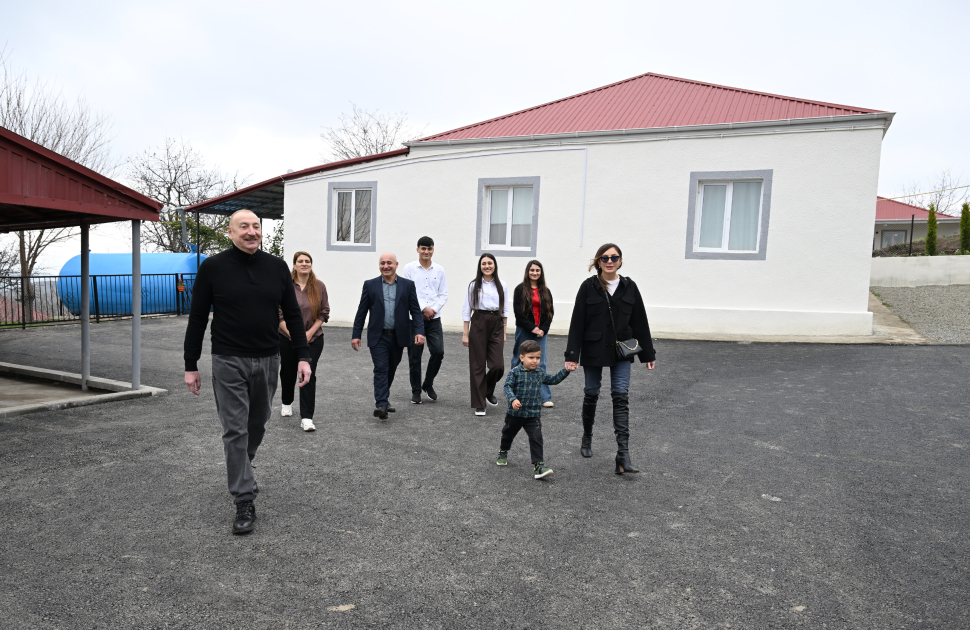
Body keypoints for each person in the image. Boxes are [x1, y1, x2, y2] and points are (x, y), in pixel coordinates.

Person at [183, 209, 311, 535]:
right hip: (228, 359)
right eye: (244, 227)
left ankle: (244, 464)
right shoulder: (213, 268)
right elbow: (198, 318)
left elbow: (294, 316)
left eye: (256, 226)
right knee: (235, 429)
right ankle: (243, 498)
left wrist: (303, 356)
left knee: (258, 422)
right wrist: (190, 365)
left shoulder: (277, 267)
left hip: (268, 358)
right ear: (230, 232)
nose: (251, 232)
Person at [564, 243, 656, 475]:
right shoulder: (589, 287)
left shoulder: (629, 287)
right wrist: (572, 355)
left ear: (621, 261)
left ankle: (622, 455)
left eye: (614, 257)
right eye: (605, 258)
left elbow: (640, 322)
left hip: (622, 350)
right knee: (591, 392)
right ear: (598, 262)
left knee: (620, 396)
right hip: (594, 348)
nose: (609, 261)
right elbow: (577, 323)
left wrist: (648, 355)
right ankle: (587, 437)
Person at [352, 252, 425, 420]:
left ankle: (384, 398)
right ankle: (381, 404)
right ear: (379, 265)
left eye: (389, 263)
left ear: (396, 265)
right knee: (381, 368)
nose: (386, 266)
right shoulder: (370, 285)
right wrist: (356, 334)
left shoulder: (407, 285)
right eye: (382, 263)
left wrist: (420, 331)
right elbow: (361, 311)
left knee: (391, 368)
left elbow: (415, 310)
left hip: (398, 336)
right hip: (378, 336)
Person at [498, 339, 574, 479]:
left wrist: (566, 370)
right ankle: (503, 451)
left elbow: (553, 380)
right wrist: (513, 399)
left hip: (533, 414)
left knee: (536, 437)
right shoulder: (515, 372)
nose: (535, 361)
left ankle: (539, 466)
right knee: (508, 433)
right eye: (531, 357)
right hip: (515, 414)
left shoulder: (539, 373)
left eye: (538, 358)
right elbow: (507, 387)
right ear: (522, 357)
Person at [278, 251, 330, 432]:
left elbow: (324, 312)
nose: (304, 264)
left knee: (308, 373)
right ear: (294, 265)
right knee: (288, 371)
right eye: (300, 261)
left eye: (307, 261)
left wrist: (308, 334)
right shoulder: (285, 286)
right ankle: (286, 401)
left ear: (311, 265)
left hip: (313, 338)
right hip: (286, 337)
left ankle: (307, 418)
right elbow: (278, 313)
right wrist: (292, 334)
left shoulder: (319, 286)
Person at [400, 236, 448, 404]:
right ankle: (416, 391)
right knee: (414, 356)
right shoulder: (409, 269)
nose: (426, 251)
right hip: (414, 319)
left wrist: (432, 310)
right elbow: (406, 293)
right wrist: (422, 309)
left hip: (434, 318)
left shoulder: (440, 270)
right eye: (423, 248)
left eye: (429, 248)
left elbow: (443, 294)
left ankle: (428, 383)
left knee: (438, 352)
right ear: (418, 249)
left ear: (433, 249)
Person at [461, 253, 510, 416]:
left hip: (496, 322)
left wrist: (504, 331)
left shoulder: (502, 284)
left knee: (497, 365)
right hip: (478, 321)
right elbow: (467, 309)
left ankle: (487, 390)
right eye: (484, 264)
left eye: (490, 263)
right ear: (480, 266)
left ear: (494, 265)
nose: (487, 266)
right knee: (478, 365)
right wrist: (465, 333)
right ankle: (479, 403)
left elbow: (505, 310)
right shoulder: (474, 285)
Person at [511, 259, 555, 408]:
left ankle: (544, 397)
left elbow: (550, 312)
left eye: (537, 270)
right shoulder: (520, 289)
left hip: (541, 332)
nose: (534, 273)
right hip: (524, 329)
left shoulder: (546, 291)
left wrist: (543, 329)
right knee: (519, 359)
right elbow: (518, 313)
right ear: (527, 272)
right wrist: (532, 327)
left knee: (540, 362)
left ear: (541, 273)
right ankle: (514, 394)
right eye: (532, 270)